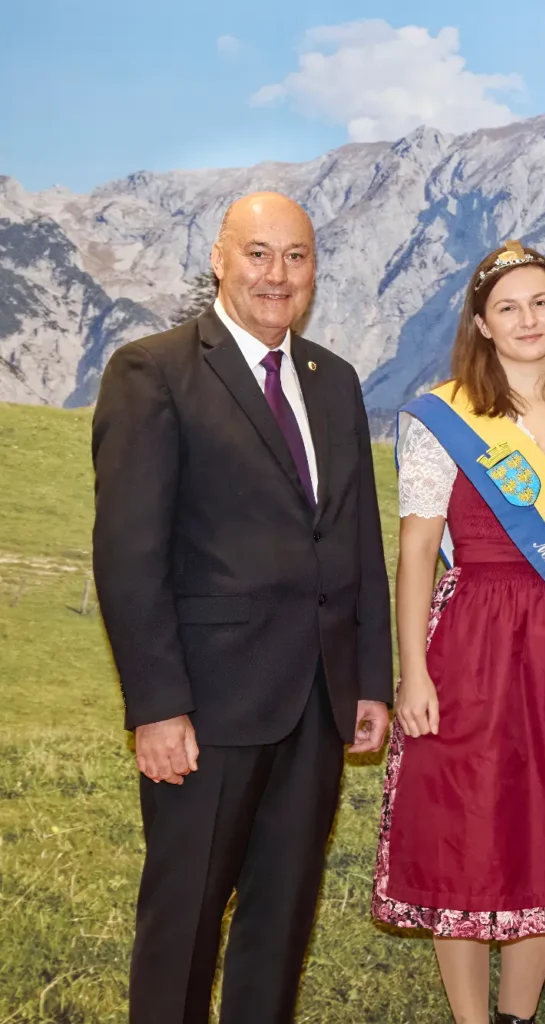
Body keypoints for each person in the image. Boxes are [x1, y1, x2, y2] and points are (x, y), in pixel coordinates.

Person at [92, 191, 393, 1023]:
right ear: (220, 258)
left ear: (315, 272)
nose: (277, 274)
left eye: (295, 257)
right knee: (183, 922)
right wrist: (156, 706)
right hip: (208, 707)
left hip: (318, 702)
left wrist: (371, 680)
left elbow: (356, 539)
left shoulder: (333, 380)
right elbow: (128, 555)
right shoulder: (152, 371)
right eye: (258, 253)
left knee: (280, 922)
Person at [371, 240, 545, 1024]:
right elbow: (417, 545)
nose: (528, 320)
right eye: (508, 308)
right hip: (473, 640)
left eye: (541, 303)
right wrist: (413, 671)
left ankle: (518, 1018)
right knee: (467, 821)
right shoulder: (442, 414)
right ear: (483, 325)